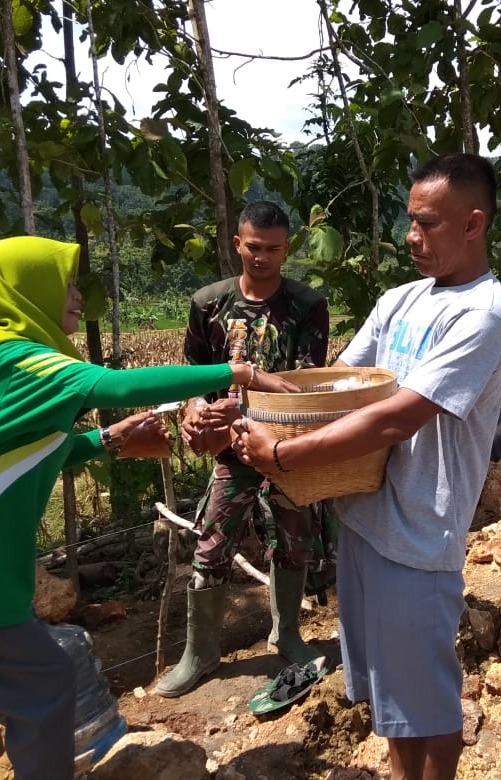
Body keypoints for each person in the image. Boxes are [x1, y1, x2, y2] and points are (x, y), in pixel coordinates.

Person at [0, 236, 297, 780]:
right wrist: (236, 373)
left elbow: (28, 453)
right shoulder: (17, 358)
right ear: (26, 292)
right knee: (47, 684)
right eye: (65, 285)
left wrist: (108, 441)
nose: (77, 297)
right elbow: (112, 385)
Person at [233, 154, 501, 780]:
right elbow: (333, 390)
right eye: (409, 221)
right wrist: (243, 398)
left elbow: (395, 418)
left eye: (428, 224)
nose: (412, 237)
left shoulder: (485, 315)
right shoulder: (401, 300)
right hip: (364, 517)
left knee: (428, 698)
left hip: (419, 532)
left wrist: (282, 455)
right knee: (391, 695)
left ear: (473, 224)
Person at [154, 200, 331, 698]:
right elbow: (193, 372)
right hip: (229, 449)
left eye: (273, 249)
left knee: (293, 540)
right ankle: (201, 653)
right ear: (238, 244)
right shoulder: (209, 303)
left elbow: (300, 387)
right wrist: (194, 407)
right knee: (210, 544)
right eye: (253, 247)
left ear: (287, 249)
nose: (262, 258)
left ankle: (287, 632)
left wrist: (241, 412)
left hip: (286, 446)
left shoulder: (306, 306)